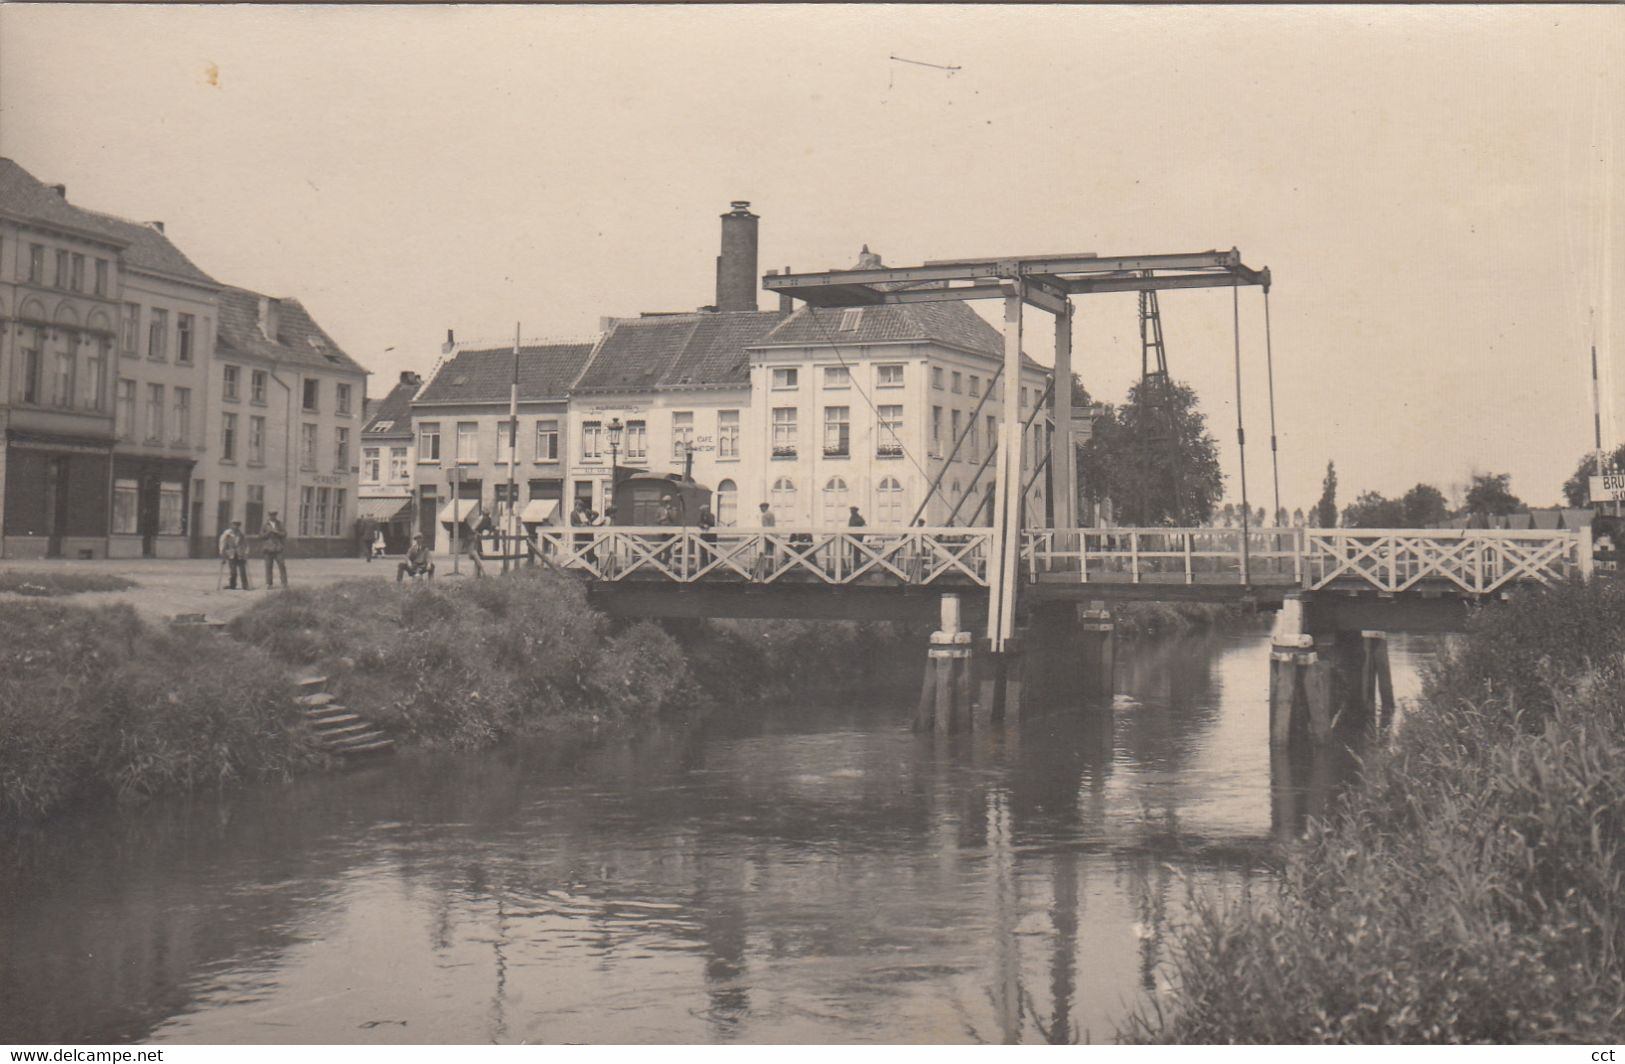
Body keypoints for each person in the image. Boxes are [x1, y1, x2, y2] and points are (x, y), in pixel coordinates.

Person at [219, 520, 251, 590]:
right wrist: (223, 554)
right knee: (233, 571)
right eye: (234, 525)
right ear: (231, 525)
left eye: (237, 525)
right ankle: (232, 585)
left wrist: (246, 553)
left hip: (240, 554)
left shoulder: (241, 534)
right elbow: (222, 544)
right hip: (231, 554)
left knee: (243, 570)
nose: (236, 527)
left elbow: (246, 544)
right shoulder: (227, 534)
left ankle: (245, 585)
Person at [262, 510, 288, 589]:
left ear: (276, 515)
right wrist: (268, 533)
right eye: (271, 515)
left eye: (274, 515)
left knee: (282, 565)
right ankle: (269, 584)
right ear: (269, 515)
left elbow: (284, 534)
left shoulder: (280, 524)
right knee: (268, 566)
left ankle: (284, 583)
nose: (272, 516)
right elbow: (261, 536)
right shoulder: (265, 525)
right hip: (268, 548)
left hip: (278, 548)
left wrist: (277, 532)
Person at [847, 505, 867, 574]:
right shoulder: (856, 517)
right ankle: (856, 564)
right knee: (856, 551)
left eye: (852, 510)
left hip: (856, 537)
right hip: (855, 537)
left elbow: (862, 524)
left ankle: (856, 564)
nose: (851, 512)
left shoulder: (855, 517)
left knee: (856, 551)